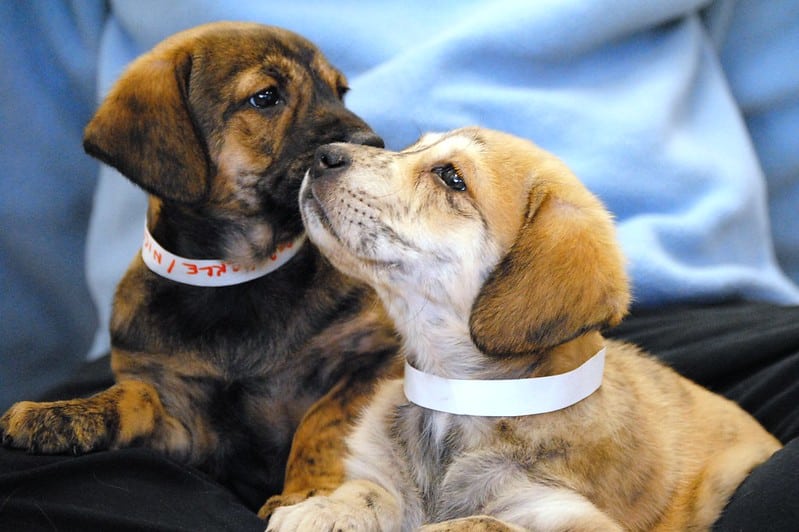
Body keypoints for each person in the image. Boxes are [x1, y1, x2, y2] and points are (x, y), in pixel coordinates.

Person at [1, 1, 797, 530]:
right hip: (235, 368)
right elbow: (22, 187)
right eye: (267, 100)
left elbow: (782, 87)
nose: (355, 138)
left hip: (688, 318)